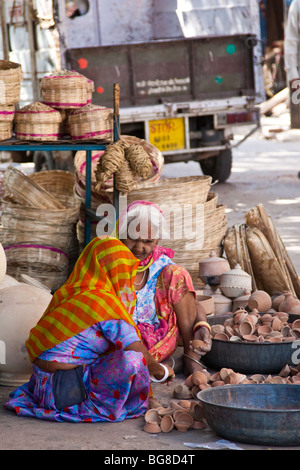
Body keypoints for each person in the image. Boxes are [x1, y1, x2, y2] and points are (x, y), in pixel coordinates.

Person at [5, 236, 174, 422]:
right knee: (133, 359)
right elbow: (136, 350)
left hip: (41, 389)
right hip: (67, 396)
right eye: (124, 272)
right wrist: (161, 371)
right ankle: (113, 404)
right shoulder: (103, 302)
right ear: (112, 271)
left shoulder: (69, 293)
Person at [118, 200, 212, 376]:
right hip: (122, 343)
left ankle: (190, 357)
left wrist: (202, 326)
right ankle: (160, 367)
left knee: (178, 273)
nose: (139, 247)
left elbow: (192, 304)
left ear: (157, 240)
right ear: (122, 233)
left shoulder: (162, 266)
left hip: (158, 338)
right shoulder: (111, 261)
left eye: (147, 241)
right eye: (132, 239)